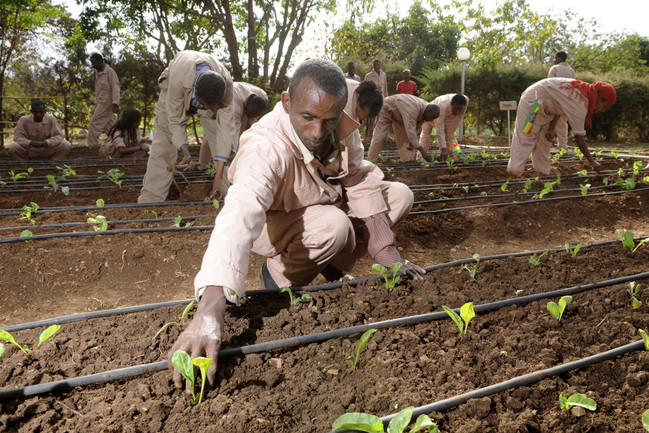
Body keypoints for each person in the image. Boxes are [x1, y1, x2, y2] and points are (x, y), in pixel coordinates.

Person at [168, 58, 426, 389]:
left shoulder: (341, 126)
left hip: (321, 205)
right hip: (276, 224)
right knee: (335, 227)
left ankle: (330, 263)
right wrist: (210, 306)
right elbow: (240, 211)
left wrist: (386, 249)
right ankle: (277, 275)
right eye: (308, 118)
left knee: (400, 195)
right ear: (287, 102)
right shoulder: (265, 146)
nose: (318, 132)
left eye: (328, 121)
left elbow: (359, 178)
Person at [138, 50, 235, 203]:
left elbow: (226, 132)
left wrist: (216, 179)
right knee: (163, 144)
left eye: (211, 106)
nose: (207, 109)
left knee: (226, 145)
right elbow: (175, 121)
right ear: (195, 88)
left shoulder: (227, 88)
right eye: (204, 104)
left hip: (210, 95)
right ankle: (151, 201)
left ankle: (229, 196)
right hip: (173, 87)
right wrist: (185, 151)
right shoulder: (179, 78)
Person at [507, 78, 616, 178]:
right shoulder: (581, 101)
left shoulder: (583, 91)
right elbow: (579, 137)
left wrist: (551, 128)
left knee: (544, 141)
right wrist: (592, 162)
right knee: (525, 139)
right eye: (604, 106)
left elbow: (560, 107)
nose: (603, 111)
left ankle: (542, 175)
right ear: (600, 98)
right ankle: (513, 174)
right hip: (533, 102)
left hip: (546, 106)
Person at [198, 82, 268, 170]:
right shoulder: (236, 108)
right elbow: (233, 135)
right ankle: (203, 165)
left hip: (245, 101)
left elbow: (251, 127)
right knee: (209, 135)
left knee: (250, 134)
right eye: (247, 114)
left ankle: (247, 159)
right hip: (224, 100)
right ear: (246, 105)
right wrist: (233, 156)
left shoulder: (263, 96)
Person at [367, 94, 439, 162]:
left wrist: (412, 142)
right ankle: (371, 162)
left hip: (400, 117)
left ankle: (406, 162)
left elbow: (417, 127)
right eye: (431, 117)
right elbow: (410, 130)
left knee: (406, 142)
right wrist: (422, 151)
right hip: (386, 110)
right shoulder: (412, 110)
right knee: (379, 137)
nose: (431, 120)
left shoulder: (426, 110)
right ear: (428, 111)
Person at [419, 94, 469, 160]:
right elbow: (440, 129)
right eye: (455, 109)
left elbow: (458, 119)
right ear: (451, 104)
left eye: (459, 109)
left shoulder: (466, 100)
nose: (457, 111)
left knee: (449, 135)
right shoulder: (442, 105)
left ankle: (450, 158)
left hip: (447, 118)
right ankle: (421, 158)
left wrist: (450, 133)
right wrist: (443, 148)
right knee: (425, 135)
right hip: (430, 115)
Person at [87, 53, 120, 149]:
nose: (93, 65)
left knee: (94, 124)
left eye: (94, 63)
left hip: (107, 103)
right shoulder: (98, 74)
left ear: (100, 61)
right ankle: (120, 142)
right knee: (110, 127)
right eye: (92, 63)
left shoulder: (109, 71)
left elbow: (116, 87)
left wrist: (115, 103)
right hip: (100, 103)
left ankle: (91, 146)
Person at [547, 51, 577, 150]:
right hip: (567, 100)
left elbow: (549, 85)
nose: (554, 60)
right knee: (562, 123)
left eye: (555, 58)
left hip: (555, 99)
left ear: (560, 58)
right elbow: (574, 86)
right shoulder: (571, 71)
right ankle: (563, 146)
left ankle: (551, 146)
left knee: (548, 122)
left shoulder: (554, 69)